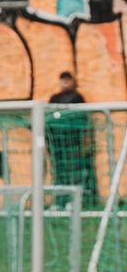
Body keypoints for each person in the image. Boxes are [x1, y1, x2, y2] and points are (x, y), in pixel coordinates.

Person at [46, 71, 99, 208]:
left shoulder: (77, 97)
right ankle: (59, 201)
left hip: (73, 143)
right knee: (59, 172)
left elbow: (82, 119)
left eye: (68, 80)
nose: (65, 83)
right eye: (63, 80)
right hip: (57, 143)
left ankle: (73, 200)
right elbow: (49, 118)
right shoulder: (54, 98)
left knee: (74, 171)